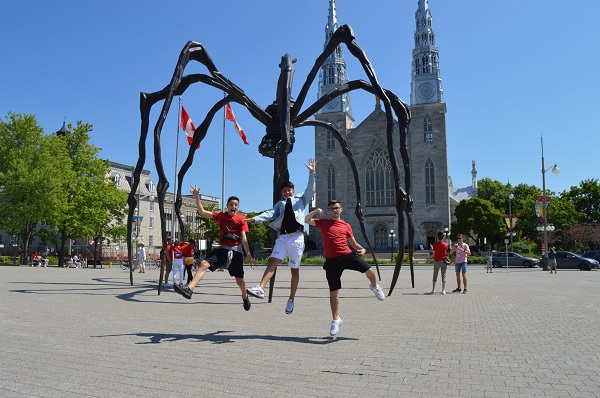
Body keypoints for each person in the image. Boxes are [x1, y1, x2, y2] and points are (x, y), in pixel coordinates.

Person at [244, 158, 316, 315]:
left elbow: (310, 190)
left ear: (293, 191)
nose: (286, 192)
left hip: (297, 238)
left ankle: (291, 299)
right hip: (283, 238)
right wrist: (255, 218)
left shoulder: (301, 200)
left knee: (294, 271)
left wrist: (312, 173)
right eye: (284, 190)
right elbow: (270, 213)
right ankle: (261, 288)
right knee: (273, 262)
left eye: (289, 190)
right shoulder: (280, 204)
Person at [305, 200, 385, 337]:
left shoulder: (346, 226)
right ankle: (336, 320)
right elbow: (306, 220)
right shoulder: (323, 223)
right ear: (329, 211)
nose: (334, 211)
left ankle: (374, 286)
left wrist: (363, 250)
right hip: (331, 262)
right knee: (333, 292)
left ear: (341, 209)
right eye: (331, 209)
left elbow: (353, 243)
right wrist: (317, 210)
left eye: (336, 208)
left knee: (369, 271)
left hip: (347, 255)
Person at [173, 185, 256, 311]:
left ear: (238, 207)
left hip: (236, 251)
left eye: (236, 205)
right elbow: (202, 212)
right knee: (203, 263)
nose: (233, 206)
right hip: (222, 249)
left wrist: (248, 254)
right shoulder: (221, 215)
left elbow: (243, 238)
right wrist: (196, 197)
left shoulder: (241, 219)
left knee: (240, 281)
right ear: (227, 206)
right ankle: (189, 289)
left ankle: (245, 297)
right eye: (231, 204)